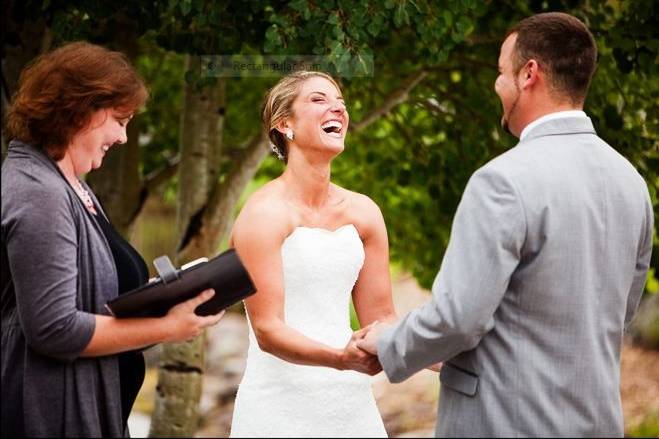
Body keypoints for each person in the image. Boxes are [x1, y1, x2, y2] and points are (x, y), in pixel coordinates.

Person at [357, 12, 654, 437]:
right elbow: (614, 316)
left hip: (506, 424)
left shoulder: (502, 181)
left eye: (501, 72)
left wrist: (389, 341)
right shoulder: (631, 182)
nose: (497, 84)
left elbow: (458, 320)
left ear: (528, 74)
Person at [1, 42, 225, 437]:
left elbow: (92, 297)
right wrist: (168, 329)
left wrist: (158, 296)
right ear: (80, 109)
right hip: (51, 417)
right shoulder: (39, 192)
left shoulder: (70, 186)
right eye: (120, 120)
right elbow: (54, 329)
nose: (123, 137)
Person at [228, 71, 396, 437]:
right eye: (319, 99)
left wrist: (448, 357)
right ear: (284, 123)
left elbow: (382, 321)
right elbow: (268, 330)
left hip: (352, 409)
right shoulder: (263, 214)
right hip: (278, 409)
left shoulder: (364, 212)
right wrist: (340, 359)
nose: (337, 107)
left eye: (341, 102)